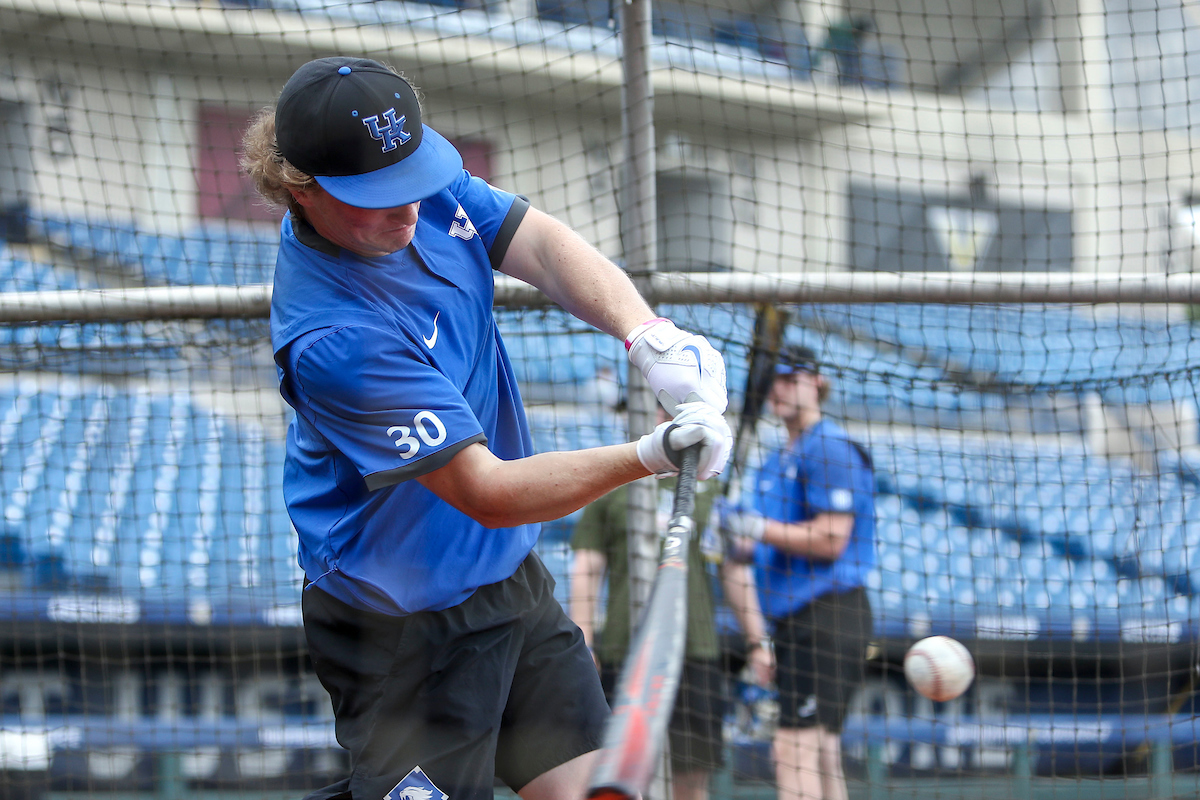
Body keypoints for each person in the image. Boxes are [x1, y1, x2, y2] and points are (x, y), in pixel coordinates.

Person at [242, 56, 734, 800]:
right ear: (300, 189)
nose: (408, 210)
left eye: (411, 182)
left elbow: (536, 242)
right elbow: (488, 491)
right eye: (377, 198)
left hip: (510, 584)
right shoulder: (335, 336)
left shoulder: (405, 171)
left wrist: (647, 334)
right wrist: (650, 453)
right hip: (400, 630)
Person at [569, 405, 774, 800]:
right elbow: (587, 567)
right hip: (622, 650)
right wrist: (585, 641)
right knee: (618, 776)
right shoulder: (611, 483)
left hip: (693, 649)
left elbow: (734, 570)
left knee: (692, 776)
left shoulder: (709, 488)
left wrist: (757, 641)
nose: (665, 413)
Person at [716, 345, 876, 800]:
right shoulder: (772, 464)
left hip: (829, 613)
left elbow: (831, 539)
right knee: (820, 751)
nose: (778, 389)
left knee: (792, 749)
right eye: (774, 380)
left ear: (816, 382)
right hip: (790, 620)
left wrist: (758, 528)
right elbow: (746, 552)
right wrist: (729, 536)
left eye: (791, 378)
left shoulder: (828, 447)